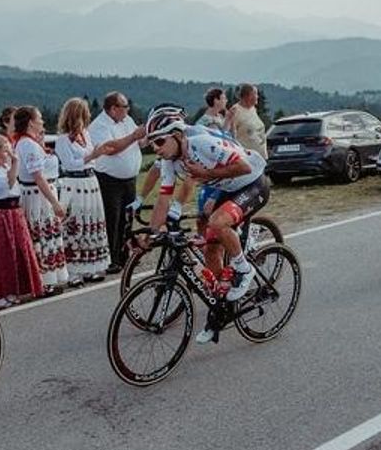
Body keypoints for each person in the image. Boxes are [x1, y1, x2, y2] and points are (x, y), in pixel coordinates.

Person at [142, 107, 269, 318]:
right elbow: (163, 198)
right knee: (210, 248)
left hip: (253, 182)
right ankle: (225, 304)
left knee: (217, 223)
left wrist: (206, 173)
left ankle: (244, 269)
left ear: (176, 135)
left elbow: (244, 167)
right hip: (228, 188)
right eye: (152, 143)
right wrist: (152, 233)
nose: (156, 148)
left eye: (160, 141)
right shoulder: (169, 162)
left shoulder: (201, 143)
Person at [55, 98, 132, 285]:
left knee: (92, 222)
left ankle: (91, 267)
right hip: (75, 183)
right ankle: (74, 271)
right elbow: (69, 164)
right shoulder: (63, 139)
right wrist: (92, 156)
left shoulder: (85, 135)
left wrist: (96, 154)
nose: (88, 115)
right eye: (85, 112)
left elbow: (92, 160)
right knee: (76, 224)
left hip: (90, 181)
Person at [0, 134, 43, 309]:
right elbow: (9, 182)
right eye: (4, 152)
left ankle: (16, 289)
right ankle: (1, 292)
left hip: (13, 212)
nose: (7, 155)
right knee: (2, 254)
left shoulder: (4, 167)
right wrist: (15, 163)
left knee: (18, 251)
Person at [13, 106, 69, 295]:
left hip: (37, 192)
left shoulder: (27, 143)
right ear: (30, 122)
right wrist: (54, 202)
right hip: (38, 195)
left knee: (44, 237)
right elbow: (38, 176)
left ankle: (48, 279)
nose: (42, 122)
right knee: (41, 237)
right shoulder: (28, 145)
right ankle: (44, 282)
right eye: (40, 119)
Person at [87, 91, 143, 274]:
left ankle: (125, 253)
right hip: (109, 179)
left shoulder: (127, 121)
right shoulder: (99, 125)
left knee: (128, 217)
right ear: (113, 108)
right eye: (124, 106)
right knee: (113, 218)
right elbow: (110, 148)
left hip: (129, 178)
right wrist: (134, 136)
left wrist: (144, 135)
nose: (128, 110)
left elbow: (138, 142)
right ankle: (112, 258)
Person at [230, 83, 268, 158]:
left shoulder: (253, 109)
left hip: (260, 156)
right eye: (255, 94)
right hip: (246, 157)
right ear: (248, 96)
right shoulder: (235, 111)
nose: (257, 97)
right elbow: (231, 136)